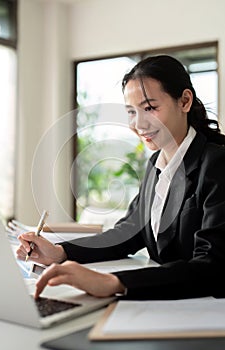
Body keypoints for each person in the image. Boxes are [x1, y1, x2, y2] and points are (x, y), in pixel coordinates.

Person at [17, 55, 225, 301]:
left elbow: (212, 266)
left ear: (185, 101)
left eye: (150, 108)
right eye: (131, 112)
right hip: (165, 303)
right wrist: (60, 253)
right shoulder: (156, 164)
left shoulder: (216, 163)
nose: (138, 124)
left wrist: (114, 282)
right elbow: (128, 232)